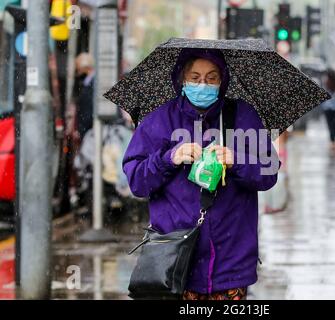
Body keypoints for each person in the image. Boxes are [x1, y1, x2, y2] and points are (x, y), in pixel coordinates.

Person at [122, 49, 280, 300]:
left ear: (222, 81)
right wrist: (169, 158)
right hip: (175, 260)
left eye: (211, 77)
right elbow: (137, 181)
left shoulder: (242, 115)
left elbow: (269, 172)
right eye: (195, 77)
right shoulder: (159, 120)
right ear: (182, 80)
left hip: (232, 261)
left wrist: (236, 160)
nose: (202, 84)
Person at [75, 53, 95, 141]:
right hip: (88, 130)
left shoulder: (92, 84)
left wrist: (81, 129)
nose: (78, 73)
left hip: (89, 131)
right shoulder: (89, 83)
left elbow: (88, 109)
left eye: (79, 69)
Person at [321, 73, 335, 153]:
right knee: (334, 124)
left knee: (330, 124)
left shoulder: (326, 86)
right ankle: (333, 140)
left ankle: (332, 140)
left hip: (327, 108)